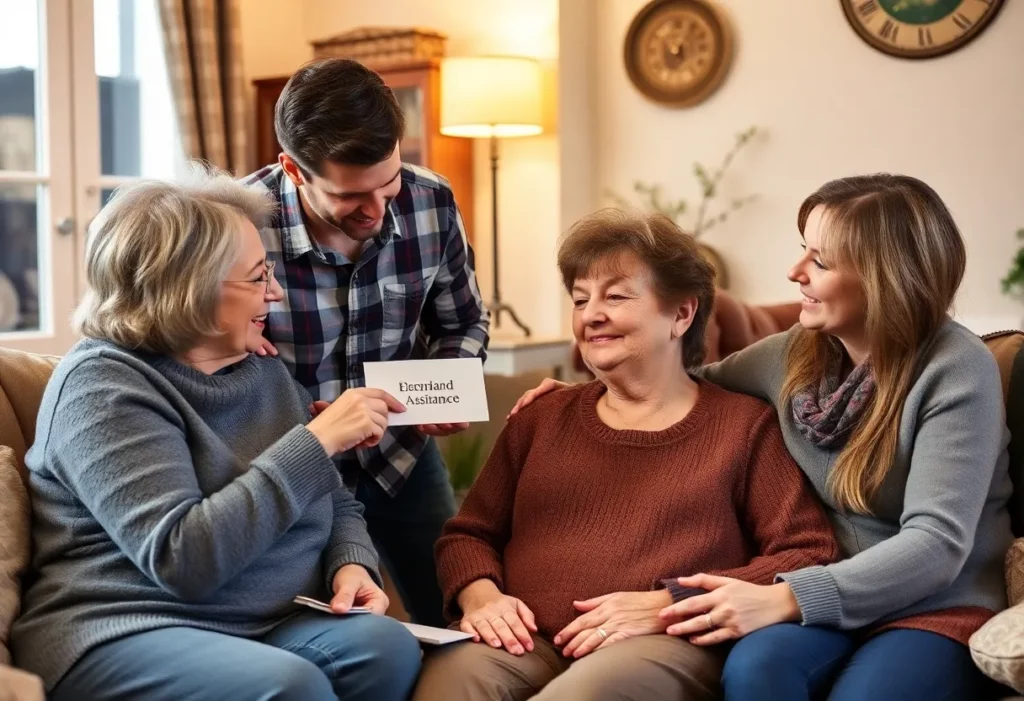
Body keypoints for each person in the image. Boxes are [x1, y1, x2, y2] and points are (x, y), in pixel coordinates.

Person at [511, 174, 1015, 700]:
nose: (795, 273)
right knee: (755, 671)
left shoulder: (957, 369)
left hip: (933, 605)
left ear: (885, 277)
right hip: (820, 600)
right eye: (803, 252)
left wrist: (783, 599)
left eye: (820, 262)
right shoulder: (796, 353)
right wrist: (582, 394)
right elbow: (682, 388)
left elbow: (936, 546)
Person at [10, 168, 421, 701]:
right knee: (288, 687)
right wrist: (316, 441)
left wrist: (351, 563)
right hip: (128, 624)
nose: (274, 293)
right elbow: (183, 560)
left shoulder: (261, 371)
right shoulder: (103, 388)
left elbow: (331, 497)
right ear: (189, 288)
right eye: (256, 278)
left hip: (268, 619)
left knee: (385, 648)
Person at [412, 209, 839, 701]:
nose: (591, 314)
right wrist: (482, 596)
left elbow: (806, 554)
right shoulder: (540, 417)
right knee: (449, 687)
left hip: (659, 640)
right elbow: (468, 534)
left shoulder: (745, 427)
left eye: (615, 296)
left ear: (681, 314)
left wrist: (670, 603)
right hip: (525, 639)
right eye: (579, 298)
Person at [243, 57, 489, 627]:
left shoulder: (432, 201)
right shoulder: (236, 226)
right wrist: (302, 424)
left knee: (451, 618)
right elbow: (208, 361)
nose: (378, 210)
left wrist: (447, 386)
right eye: (353, 195)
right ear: (293, 169)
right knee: (318, 631)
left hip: (400, 459)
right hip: (291, 470)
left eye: (390, 182)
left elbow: (464, 322)